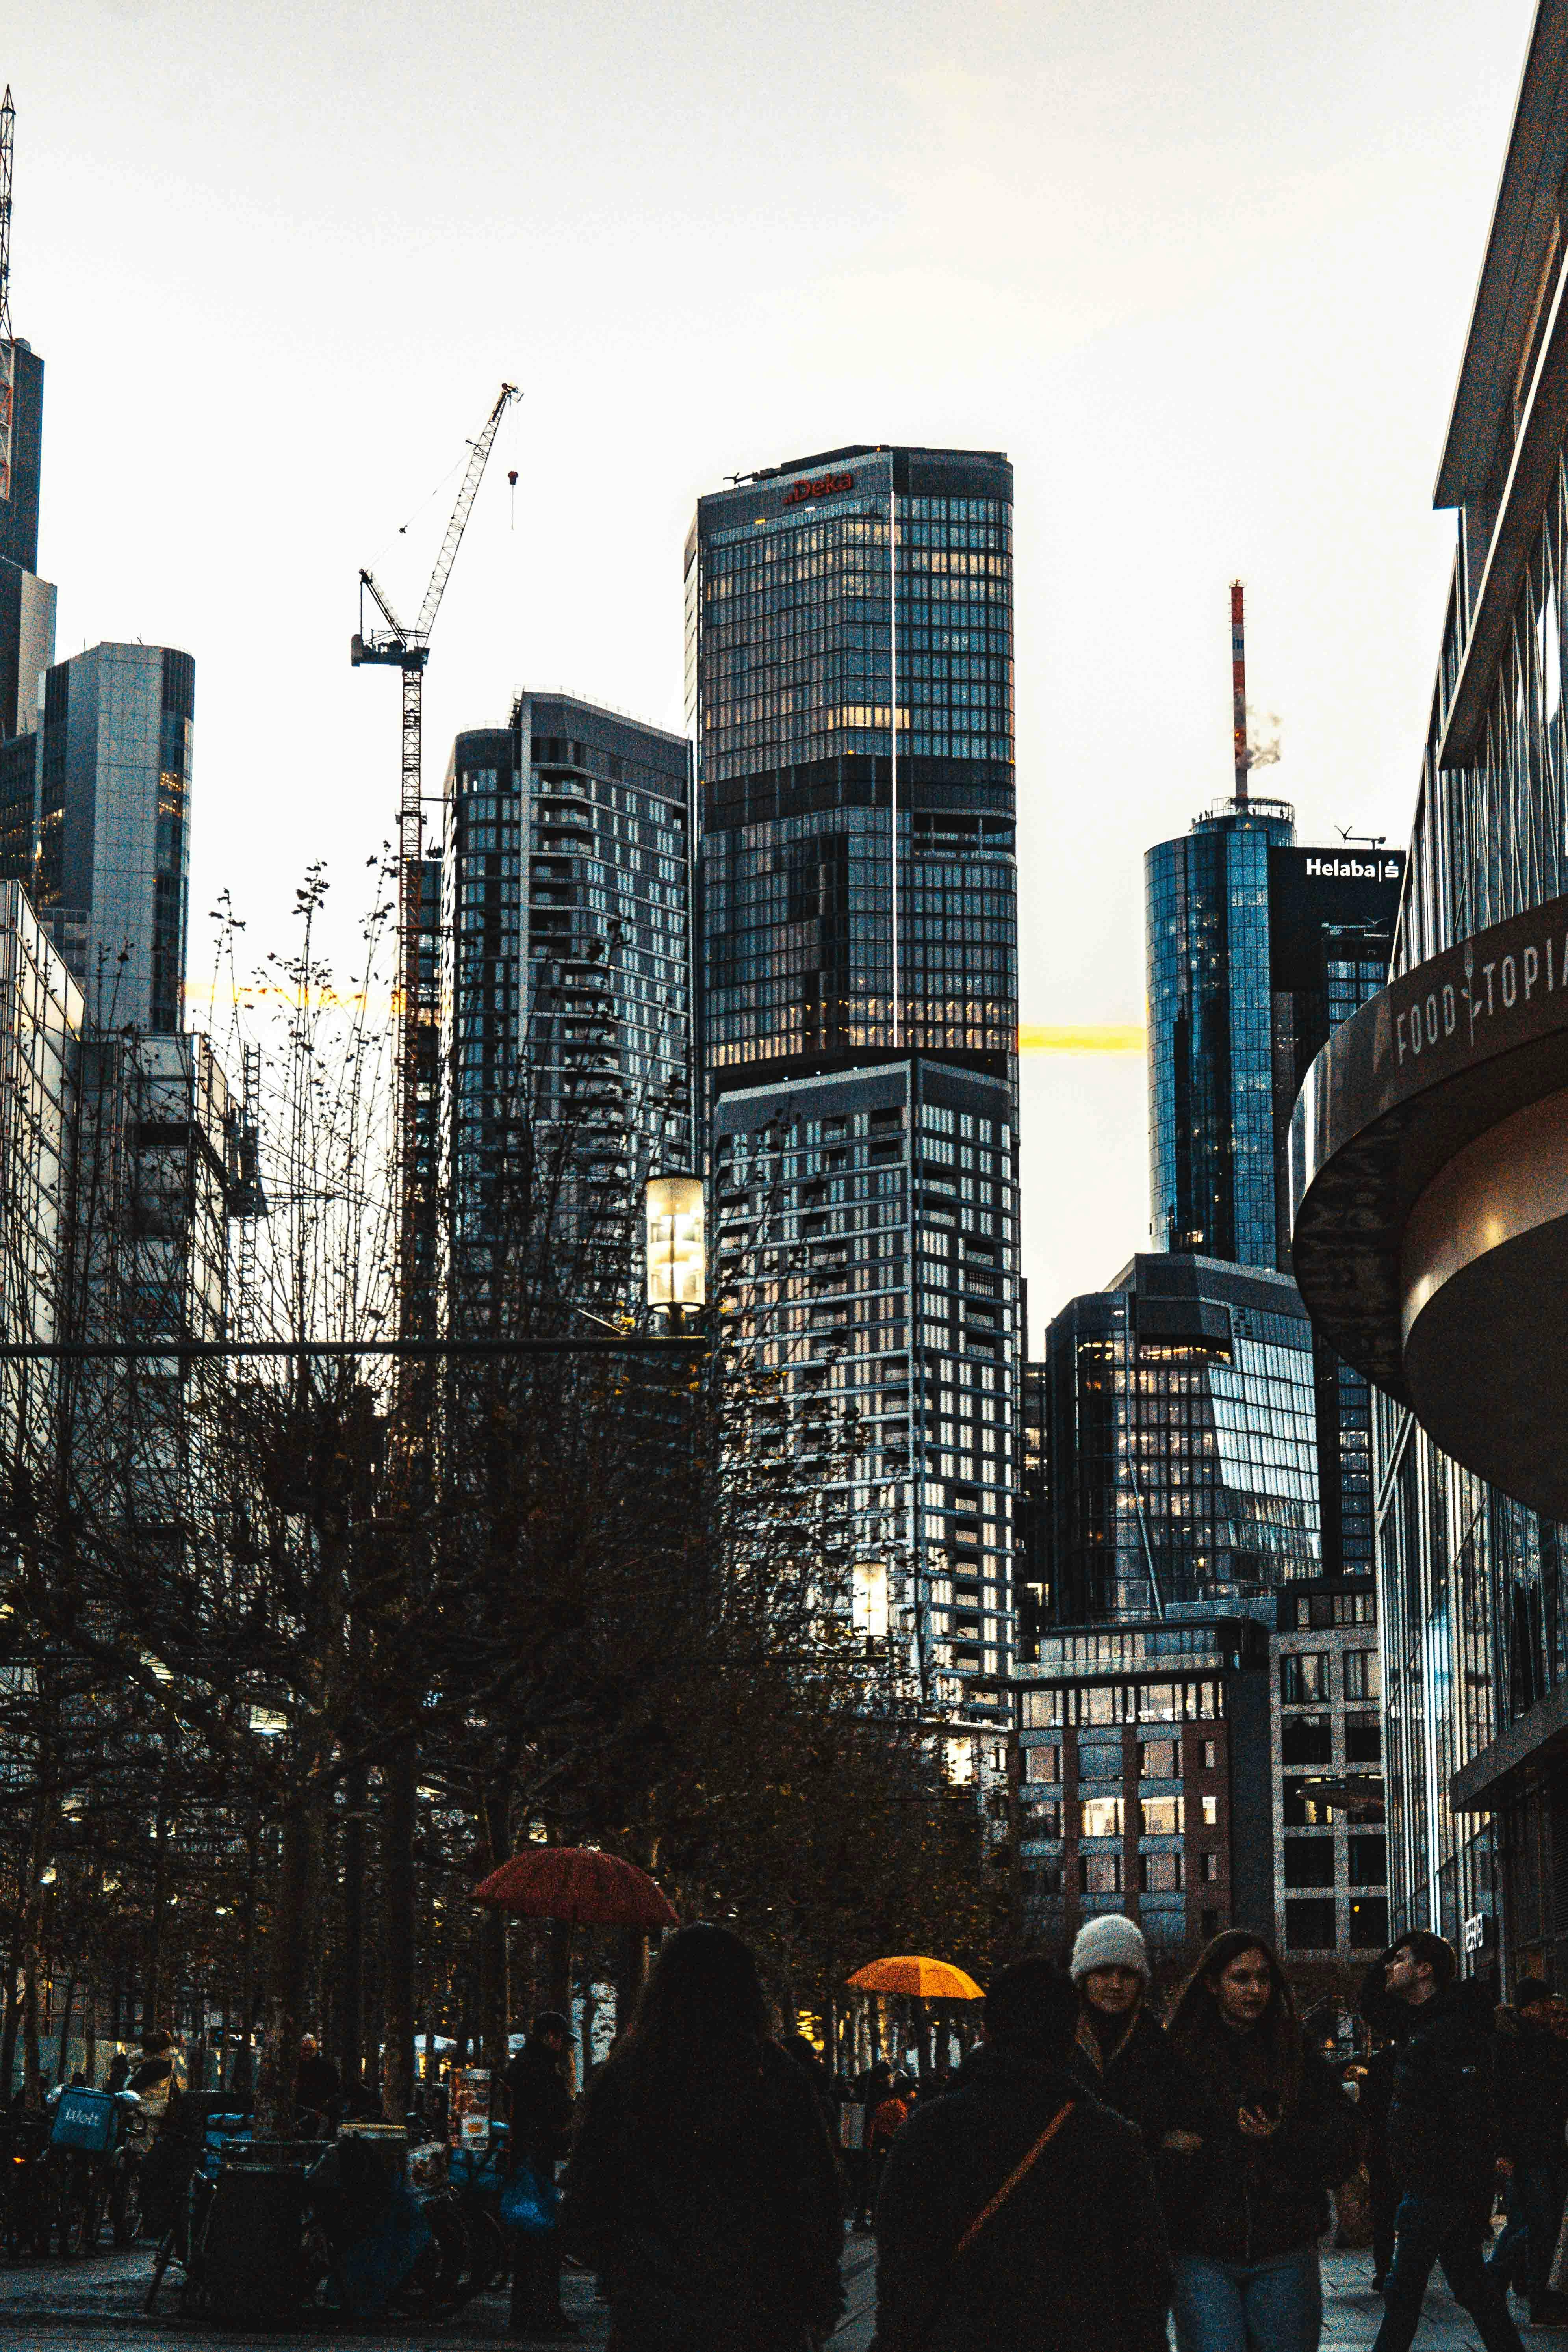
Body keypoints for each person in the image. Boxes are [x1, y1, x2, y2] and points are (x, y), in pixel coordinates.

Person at [560, 1924, 843, 2352]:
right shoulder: (778, 2077)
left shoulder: (627, 2078)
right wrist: (814, 2295)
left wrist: (632, 2273)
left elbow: (584, 2209)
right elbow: (818, 2197)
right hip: (762, 2315)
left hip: (654, 2318)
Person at [872, 1953, 1169, 2351]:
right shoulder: (1113, 2139)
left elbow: (902, 2273)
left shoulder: (927, 2133)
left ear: (987, 2030)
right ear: (1072, 2034)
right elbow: (1145, 2279)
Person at [1165, 1929, 1357, 2352]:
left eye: (1264, 1978)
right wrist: (1180, 2146)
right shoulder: (1179, 2053)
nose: (1256, 1989)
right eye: (1242, 1978)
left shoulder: (1295, 2051)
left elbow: (1339, 2134)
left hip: (1283, 2243)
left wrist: (1282, 2134)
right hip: (1203, 2247)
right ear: (1213, 1984)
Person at [1369, 1931, 1525, 2352]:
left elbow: (1471, 2114)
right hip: (1435, 2185)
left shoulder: (1449, 2031)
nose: (1389, 1965)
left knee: (1402, 2296)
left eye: (1400, 1958)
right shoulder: (1427, 2024)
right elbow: (1373, 1999)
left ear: (1425, 1970)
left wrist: (1458, 2184)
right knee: (1475, 2289)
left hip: (1435, 2187)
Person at [1067, 1913, 1202, 2194]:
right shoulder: (1056, 2041)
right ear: (1083, 1979)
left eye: (1126, 1974)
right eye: (1103, 1972)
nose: (1115, 1985)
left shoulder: (1159, 2047)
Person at [1487, 1977, 1568, 2324]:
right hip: (1532, 2148)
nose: (1548, 2010)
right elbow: (1504, 2102)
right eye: (1542, 2004)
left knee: (1531, 2222)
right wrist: (1502, 2150)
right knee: (1539, 2225)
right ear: (1527, 2007)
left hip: (1539, 2146)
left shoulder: (1534, 2042)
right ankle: (1523, 2292)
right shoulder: (1515, 2045)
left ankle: (1506, 2282)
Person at [505, 2010, 577, 2342]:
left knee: (529, 2241)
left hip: (523, 2159)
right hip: (537, 2161)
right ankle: (544, 2311)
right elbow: (557, 2112)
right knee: (544, 2240)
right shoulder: (542, 2071)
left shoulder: (521, 2067)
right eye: (562, 2040)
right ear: (551, 2036)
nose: (563, 2047)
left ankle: (526, 2311)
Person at [295, 2033, 342, 2124]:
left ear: (316, 2050)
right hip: (298, 2113)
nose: (307, 2053)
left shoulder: (328, 2068)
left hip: (320, 2113)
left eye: (311, 2050)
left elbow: (335, 2091)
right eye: (304, 2049)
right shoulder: (294, 2068)